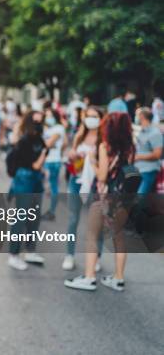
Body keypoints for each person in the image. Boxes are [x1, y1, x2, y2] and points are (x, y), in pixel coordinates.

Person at [65, 112, 135, 292]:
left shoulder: (105, 146)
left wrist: (93, 162)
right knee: (119, 237)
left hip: (104, 197)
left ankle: (89, 278)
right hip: (123, 198)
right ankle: (118, 278)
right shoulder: (131, 147)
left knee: (92, 236)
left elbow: (102, 176)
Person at [63, 106, 104, 271]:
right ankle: (69, 255)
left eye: (94, 116)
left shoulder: (103, 140)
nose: (91, 119)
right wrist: (72, 155)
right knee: (73, 219)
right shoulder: (79, 136)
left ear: (101, 119)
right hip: (76, 180)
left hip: (95, 183)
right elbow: (71, 154)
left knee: (96, 223)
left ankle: (97, 257)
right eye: (88, 116)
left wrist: (92, 159)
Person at [7, 110, 47, 270]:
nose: (38, 125)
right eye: (35, 122)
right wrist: (43, 155)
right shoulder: (24, 140)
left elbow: (41, 157)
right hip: (25, 179)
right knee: (21, 217)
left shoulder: (38, 138)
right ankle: (13, 255)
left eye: (41, 121)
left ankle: (30, 251)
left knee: (34, 216)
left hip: (36, 179)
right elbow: (36, 163)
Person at [42, 108, 66, 220]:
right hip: (48, 160)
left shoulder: (58, 128)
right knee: (49, 186)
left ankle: (51, 211)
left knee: (51, 186)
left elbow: (48, 143)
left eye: (50, 115)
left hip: (52, 161)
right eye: (46, 115)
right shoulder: (48, 128)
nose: (47, 117)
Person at [134, 108, 163, 194]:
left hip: (149, 171)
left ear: (142, 116)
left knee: (140, 199)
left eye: (137, 115)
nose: (136, 117)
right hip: (139, 170)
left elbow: (157, 154)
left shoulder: (155, 133)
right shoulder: (141, 132)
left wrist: (138, 156)